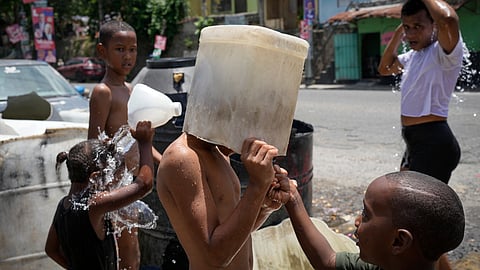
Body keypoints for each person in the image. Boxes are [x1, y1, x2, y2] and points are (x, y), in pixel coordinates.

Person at [88, 20, 162, 270]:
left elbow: (137, 140)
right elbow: (93, 143)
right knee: (121, 253)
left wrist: (166, 161)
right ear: (102, 51)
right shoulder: (103, 92)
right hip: (112, 188)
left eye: (132, 49)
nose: (128, 56)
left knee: (133, 253)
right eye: (120, 49)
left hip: (129, 185)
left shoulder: (131, 91)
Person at [156, 134, 292, 269]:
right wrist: (257, 186)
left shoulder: (218, 152)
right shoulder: (183, 157)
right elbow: (215, 257)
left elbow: (234, 232)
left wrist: (263, 207)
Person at [284, 170, 465, 270]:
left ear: (398, 241)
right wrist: (293, 199)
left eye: (366, 214)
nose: (357, 220)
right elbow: (328, 261)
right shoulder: (391, 265)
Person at [45, 121, 155, 270]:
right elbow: (144, 185)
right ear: (95, 177)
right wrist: (145, 143)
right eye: (108, 173)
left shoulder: (64, 205)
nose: (111, 178)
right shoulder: (94, 204)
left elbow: (51, 250)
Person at [377, 0, 463, 184]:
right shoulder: (412, 56)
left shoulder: (444, 53)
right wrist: (399, 33)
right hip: (414, 139)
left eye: (418, 26)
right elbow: (384, 68)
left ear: (434, 25)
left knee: (419, 208)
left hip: (434, 142)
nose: (411, 33)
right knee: (405, 199)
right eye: (407, 27)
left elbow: (448, 19)